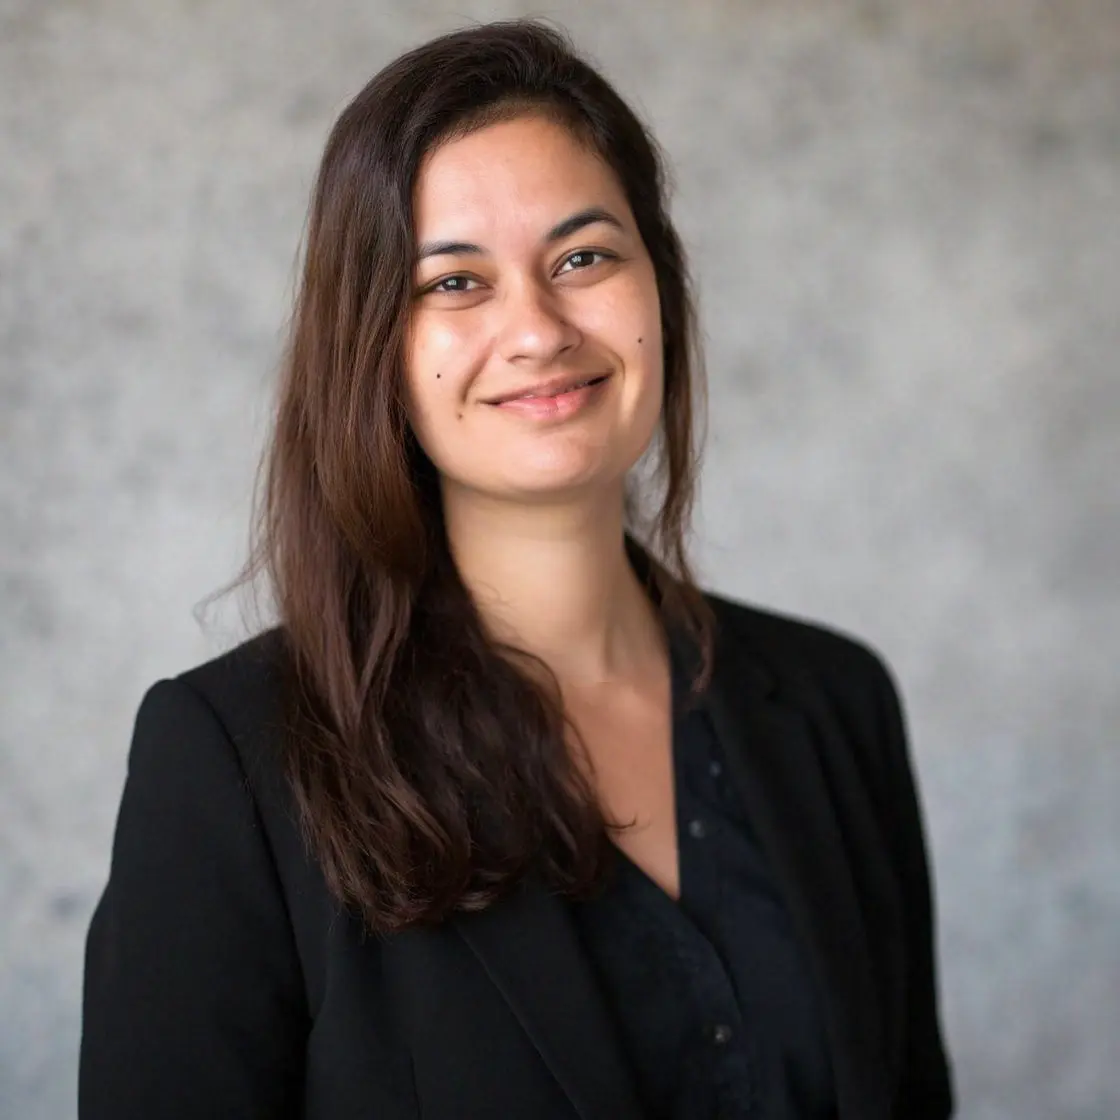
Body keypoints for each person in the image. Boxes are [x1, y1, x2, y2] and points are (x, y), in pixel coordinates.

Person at [79, 18, 954, 1120]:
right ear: (374, 348)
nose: (537, 330)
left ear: (660, 287)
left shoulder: (836, 704)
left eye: (583, 258)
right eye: (454, 281)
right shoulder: (235, 763)